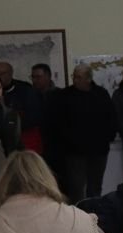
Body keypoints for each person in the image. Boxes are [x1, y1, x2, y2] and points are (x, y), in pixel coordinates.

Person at [47, 64, 117, 202]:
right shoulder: (65, 96)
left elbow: (111, 118)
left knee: (95, 186)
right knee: (76, 187)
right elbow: (59, 122)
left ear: (88, 79)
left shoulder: (101, 94)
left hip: (98, 149)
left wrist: (109, 137)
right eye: (74, 76)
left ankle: (95, 212)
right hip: (74, 151)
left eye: (79, 77)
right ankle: (77, 214)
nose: (75, 80)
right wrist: (68, 141)